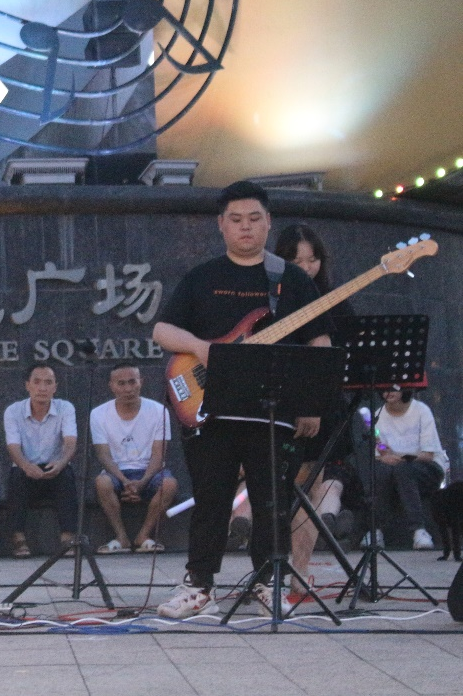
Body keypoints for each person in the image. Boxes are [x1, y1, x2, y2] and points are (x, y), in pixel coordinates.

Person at [153, 180, 333, 618]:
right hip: (210, 409)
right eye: (236, 220)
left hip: (274, 411)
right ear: (221, 225)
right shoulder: (202, 277)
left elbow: (319, 341)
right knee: (211, 500)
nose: (245, 227)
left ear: (268, 222)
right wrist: (201, 349)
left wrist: (313, 403)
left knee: (272, 501)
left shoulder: (291, 279)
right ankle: (199, 586)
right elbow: (162, 331)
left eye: (254, 218)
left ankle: (268, 582)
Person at [274, 224, 359, 590]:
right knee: (283, 489)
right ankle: (278, 568)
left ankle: (300, 570)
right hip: (280, 404)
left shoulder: (335, 301)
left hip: (323, 405)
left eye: (313, 259)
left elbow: (348, 350)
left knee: (312, 486)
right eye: (296, 261)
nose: (306, 268)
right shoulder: (274, 299)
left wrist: (316, 402)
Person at [91, 364, 176, 554]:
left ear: (141, 382)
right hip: (117, 472)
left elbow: (159, 454)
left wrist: (143, 481)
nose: (128, 389)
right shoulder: (98, 414)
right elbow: (103, 455)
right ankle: (121, 537)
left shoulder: (158, 411)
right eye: (121, 383)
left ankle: (144, 535)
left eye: (132, 382)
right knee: (102, 483)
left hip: (150, 470)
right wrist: (124, 481)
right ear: (111, 386)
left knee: (169, 484)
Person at [2, 365, 78, 558]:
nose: (42, 388)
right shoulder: (13, 411)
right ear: (27, 385)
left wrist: (61, 463)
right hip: (27, 468)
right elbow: (13, 446)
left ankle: (68, 538)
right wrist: (26, 466)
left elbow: (70, 442)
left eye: (48, 382)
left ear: (55, 387)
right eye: (37, 382)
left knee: (67, 475)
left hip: (55, 467)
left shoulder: (65, 408)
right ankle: (18, 539)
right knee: (16, 476)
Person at [369, 387, 449, 550]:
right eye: (385, 387)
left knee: (403, 470)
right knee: (381, 471)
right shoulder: (378, 414)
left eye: (394, 387)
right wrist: (383, 454)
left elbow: (428, 454)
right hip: (394, 466)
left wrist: (399, 457)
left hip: (426, 467)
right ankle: (376, 531)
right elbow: (380, 444)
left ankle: (419, 530)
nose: (389, 391)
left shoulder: (421, 411)